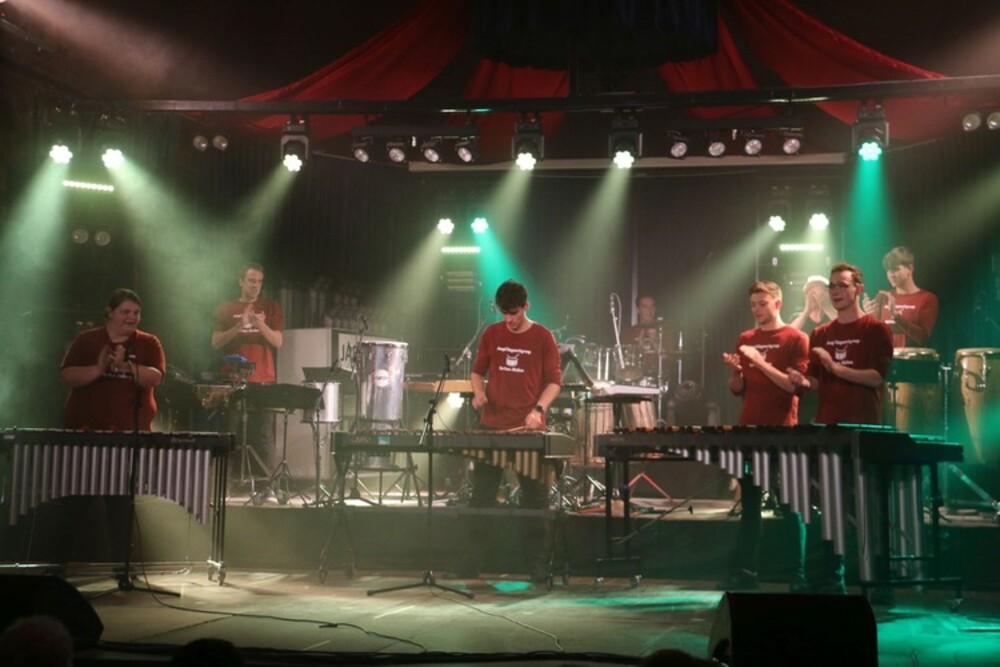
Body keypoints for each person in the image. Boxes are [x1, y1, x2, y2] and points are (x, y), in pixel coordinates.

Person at [788, 262, 894, 594]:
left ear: (858, 289)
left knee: (867, 507)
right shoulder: (821, 333)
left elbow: (875, 377)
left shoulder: (876, 330)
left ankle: (878, 581)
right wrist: (801, 381)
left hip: (863, 428)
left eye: (841, 285)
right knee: (831, 507)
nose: (834, 291)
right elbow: (816, 382)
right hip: (828, 428)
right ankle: (834, 578)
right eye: (831, 286)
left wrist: (835, 367)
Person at [468, 279, 562, 582]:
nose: (508, 319)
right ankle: (471, 562)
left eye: (514, 313)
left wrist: (538, 410)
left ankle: (537, 564)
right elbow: (477, 372)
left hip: (527, 429)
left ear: (526, 306)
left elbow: (554, 382)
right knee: (480, 497)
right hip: (493, 426)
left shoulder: (543, 337)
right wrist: (478, 393)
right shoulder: (492, 333)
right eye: (504, 313)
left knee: (535, 501)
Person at [718, 281, 809, 591]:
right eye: (753, 305)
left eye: (762, 304)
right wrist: (736, 372)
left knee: (791, 507)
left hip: (783, 432)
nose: (756, 310)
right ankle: (747, 571)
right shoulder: (746, 338)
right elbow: (737, 389)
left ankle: (797, 574)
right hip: (749, 430)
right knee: (750, 506)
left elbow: (792, 386)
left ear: (777, 304)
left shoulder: (795, 338)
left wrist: (759, 361)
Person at [212, 263, 284, 485]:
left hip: (262, 379)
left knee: (264, 435)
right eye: (252, 281)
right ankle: (223, 485)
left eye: (259, 282)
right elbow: (215, 342)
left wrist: (259, 325)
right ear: (241, 281)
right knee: (229, 433)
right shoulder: (226, 308)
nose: (256, 286)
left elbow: (278, 342)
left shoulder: (270, 306)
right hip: (232, 379)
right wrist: (239, 325)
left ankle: (267, 487)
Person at [60, 288, 165, 431]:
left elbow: (156, 378)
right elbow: (66, 376)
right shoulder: (86, 339)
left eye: (136, 313)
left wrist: (124, 366)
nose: (132, 317)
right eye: (126, 312)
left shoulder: (149, 342)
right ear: (110, 313)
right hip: (85, 432)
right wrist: (98, 369)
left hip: (133, 434)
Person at [863, 246, 939, 348]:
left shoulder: (927, 298)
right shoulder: (883, 297)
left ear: (910, 269)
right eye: (888, 270)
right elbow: (873, 336)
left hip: (910, 357)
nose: (891, 274)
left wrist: (897, 317)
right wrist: (868, 317)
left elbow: (922, 338)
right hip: (884, 356)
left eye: (895, 269)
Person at [618, 294, 675, 384]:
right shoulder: (629, 332)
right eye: (645, 307)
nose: (649, 310)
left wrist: (655, 342)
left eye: (652, 306)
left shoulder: (665, 330)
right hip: (637, 378)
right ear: (638, 309)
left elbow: (668, 358)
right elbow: (625, 363)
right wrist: (639, 349)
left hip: (660, 377)